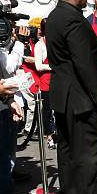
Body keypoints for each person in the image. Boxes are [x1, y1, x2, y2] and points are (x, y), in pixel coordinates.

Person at [46, 0, 97, 194]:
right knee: (86, 149)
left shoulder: (54, 16)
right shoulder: (73, 20)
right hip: (80, 96)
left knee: (66, 147)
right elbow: (85, 64)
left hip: (62, 93)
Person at [0, 24, 27, 194]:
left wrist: (9, 98)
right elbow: (7, 67)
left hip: (2, 104)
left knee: (4, 154)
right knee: (0, 156)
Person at [34, 18, 56, 149]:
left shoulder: (57, 42)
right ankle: (49, 135)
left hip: (58, 79)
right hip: (46, 81)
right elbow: (38, 66)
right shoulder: (39, 45)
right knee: (47, 110)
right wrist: (52, 66)